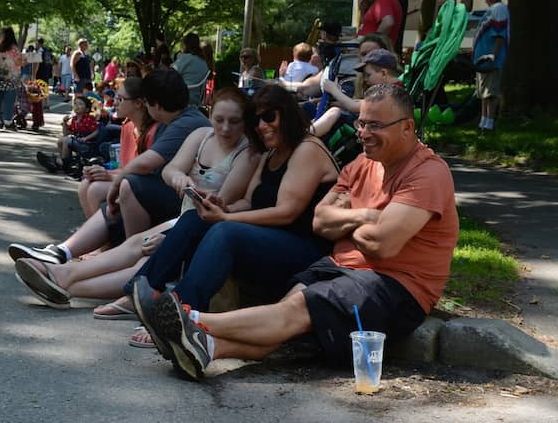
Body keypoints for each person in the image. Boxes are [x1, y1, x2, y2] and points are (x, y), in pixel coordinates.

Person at [141, 84, 459, 381]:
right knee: (283, 320)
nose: (364, 133)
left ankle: (191, 320)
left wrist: (345, 220)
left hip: (395, 284)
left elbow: (382, 245)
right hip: (339, 266)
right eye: (362, 123)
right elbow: (320, 222)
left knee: (293, 310)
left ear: (407, 127)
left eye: (376, 125)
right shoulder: (360, 164)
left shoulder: (428, 173)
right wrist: (366, 215)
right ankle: (205, 348)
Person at [121, 84, 340, 350]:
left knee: (226, 232)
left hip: (306, 250)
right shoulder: (270, 153)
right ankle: (142, 289)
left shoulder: (307, 149)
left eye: (269, 116)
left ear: (288, 114)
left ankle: (181, 312)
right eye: (255, 120)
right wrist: (220, 207)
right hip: (271, 240)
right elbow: (248, 201)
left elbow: (287, 212)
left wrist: (226, 220)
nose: (262, 125)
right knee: (195, 219)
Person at [12, 88, 263, 313]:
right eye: (219, 120)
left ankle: (66, 282)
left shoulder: (248, 152)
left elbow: (219, 205)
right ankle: (63, 275)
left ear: (246, 122)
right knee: (136, 245)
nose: (226, 128)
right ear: (211, 117)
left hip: (206, 225)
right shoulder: (201, 135)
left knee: (144, 256)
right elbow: (170, 169)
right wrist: (178, 178)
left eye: (234, 121)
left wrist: (172, 237)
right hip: (186, 219)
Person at [8, 69, 210, 264]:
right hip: (181, 197)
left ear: (155, 104)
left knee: (128, 185)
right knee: (112, 186)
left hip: (193, 206)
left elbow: (146, 163)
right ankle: (63, 252)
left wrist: (117, 182)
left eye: (147, 103)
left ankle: (125, 258)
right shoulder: (175, 120)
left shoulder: (184, 123)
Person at [78, 77, 159, 217]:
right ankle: (97, 234)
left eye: (120, 99)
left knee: (95, 189)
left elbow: (145, 176)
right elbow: (123, 167)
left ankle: (104, 236)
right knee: (85, 184)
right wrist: (98, 172)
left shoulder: (154, 132)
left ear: (138, 103)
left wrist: (109, 176)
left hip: (141, 186)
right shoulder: (127, 127)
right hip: (127, 180)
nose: (115, 102)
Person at [311, 46, 400, 137]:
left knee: (335, 112)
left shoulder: (391, 93)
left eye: (368, 75)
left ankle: (308, 136)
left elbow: (353, 106)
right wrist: (334, 103)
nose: (365, 79)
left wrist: (333, 89)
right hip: (377, 128)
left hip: (380, 133)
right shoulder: (393, 89)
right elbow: (361, 102)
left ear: (383, 73)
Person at [473, 0, 509, 132]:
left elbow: (500, 35)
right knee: (483, 92)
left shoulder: (499, 9)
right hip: (482, 59)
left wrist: (493, 55)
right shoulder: (493, 10)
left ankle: (489, 123)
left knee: (490, 92)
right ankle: (483, 121)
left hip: (490, 59)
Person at [0, 27, 24, 129]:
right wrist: (23, 60)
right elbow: (18, 62)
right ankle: (8, 121)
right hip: (11, 78)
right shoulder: (14, 48)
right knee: (9, 100)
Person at [172, 33, 209, 106]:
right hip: (196, 99)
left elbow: (170, 74)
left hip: (180, 97)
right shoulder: (203, 62)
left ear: (185, 45)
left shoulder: (185, 58)